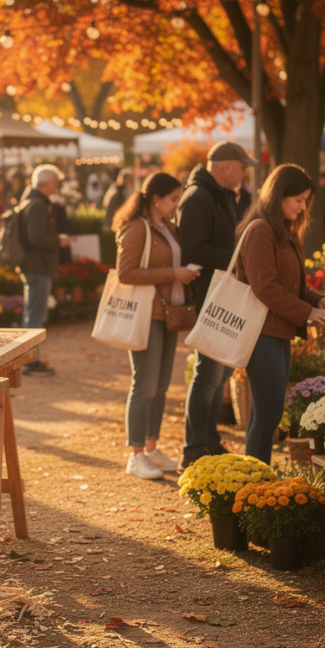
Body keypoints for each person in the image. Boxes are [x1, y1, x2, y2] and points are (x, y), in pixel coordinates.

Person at [234, 164, 325, 464]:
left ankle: (255, 476)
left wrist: (319, 301)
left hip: (276, 331)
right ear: (278, 195)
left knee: (265, 414)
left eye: (306, 200)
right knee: (268, 416)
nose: (303, 207)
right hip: (261, 333)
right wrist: (308, 312)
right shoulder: (261, 230)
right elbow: (265, 287)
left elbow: (292, 285)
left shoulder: (284, 231)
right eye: (298, 199)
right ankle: (256, 480)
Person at [112, 172, 199, 479]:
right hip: (146, 314)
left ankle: (151, 449)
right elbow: (125, 273)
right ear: (156, 199)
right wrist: (172, 274)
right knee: (145, 385)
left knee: (160, 387)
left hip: (168, 312)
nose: (177, 204)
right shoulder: (138, 227)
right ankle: (135, 455)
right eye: (174, 199)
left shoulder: (166, 227)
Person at [177, 140, 255, 468]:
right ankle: (194, 449)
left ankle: (207, 442)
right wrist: (236, 258)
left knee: (217, 375)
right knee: (208, 375)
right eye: (243, 167)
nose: (245, 173)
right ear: (227, 166)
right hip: (210, 297)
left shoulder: (217, 195)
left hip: (219, 295)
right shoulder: (199, 197)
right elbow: (193, 250)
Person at [15, 163, 72, 376]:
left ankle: (28, 358)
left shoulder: (31, 200)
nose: (57, 186)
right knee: (35, 315)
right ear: (48, 182)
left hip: (33, 265)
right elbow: (36, 236)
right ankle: (31, 360)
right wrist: (58, 241)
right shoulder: (38, 204)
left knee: (32, 313)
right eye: (56, 182)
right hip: (38, 265)